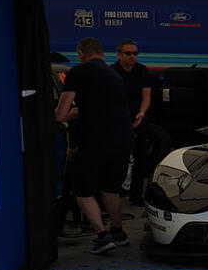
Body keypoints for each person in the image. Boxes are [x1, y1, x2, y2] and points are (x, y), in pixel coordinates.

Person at [54, 37, 134, 254]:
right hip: (122, 140)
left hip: (93, 142)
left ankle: (101, 236)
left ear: (81, 53)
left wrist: (71, 113)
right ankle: (117, 231)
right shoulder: (114, 75)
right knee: (110, 188)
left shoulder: (78, 73)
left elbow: (61, 114)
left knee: (83, 190)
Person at [111, 39, 154, 205]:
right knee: (117, 159)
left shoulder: (142, 71)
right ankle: (114, 192)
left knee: (141, 158)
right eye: (128, 53)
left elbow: (146, 96)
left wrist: (141, 113)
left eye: (135, 53)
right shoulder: (112, 72)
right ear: (119, 54)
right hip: (118, 121)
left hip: (139, 118)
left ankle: (136, 195)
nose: (132, 57)